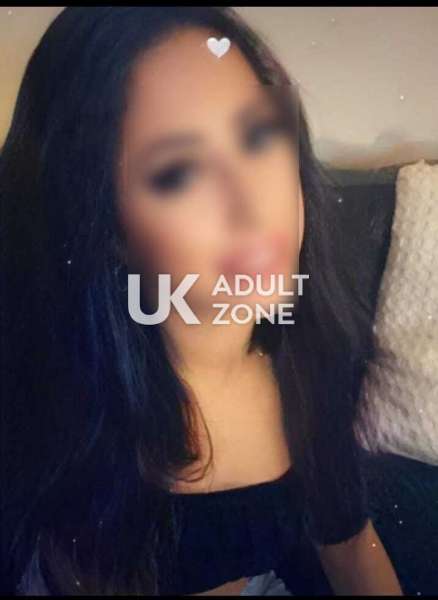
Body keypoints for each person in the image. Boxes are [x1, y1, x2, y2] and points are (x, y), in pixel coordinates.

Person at [1, 7, 403, 595]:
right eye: (179, 173)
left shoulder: (317, 355)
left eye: (258, 135)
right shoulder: (60, 419)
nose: (252, 204)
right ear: (105, 227)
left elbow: (347, 538)